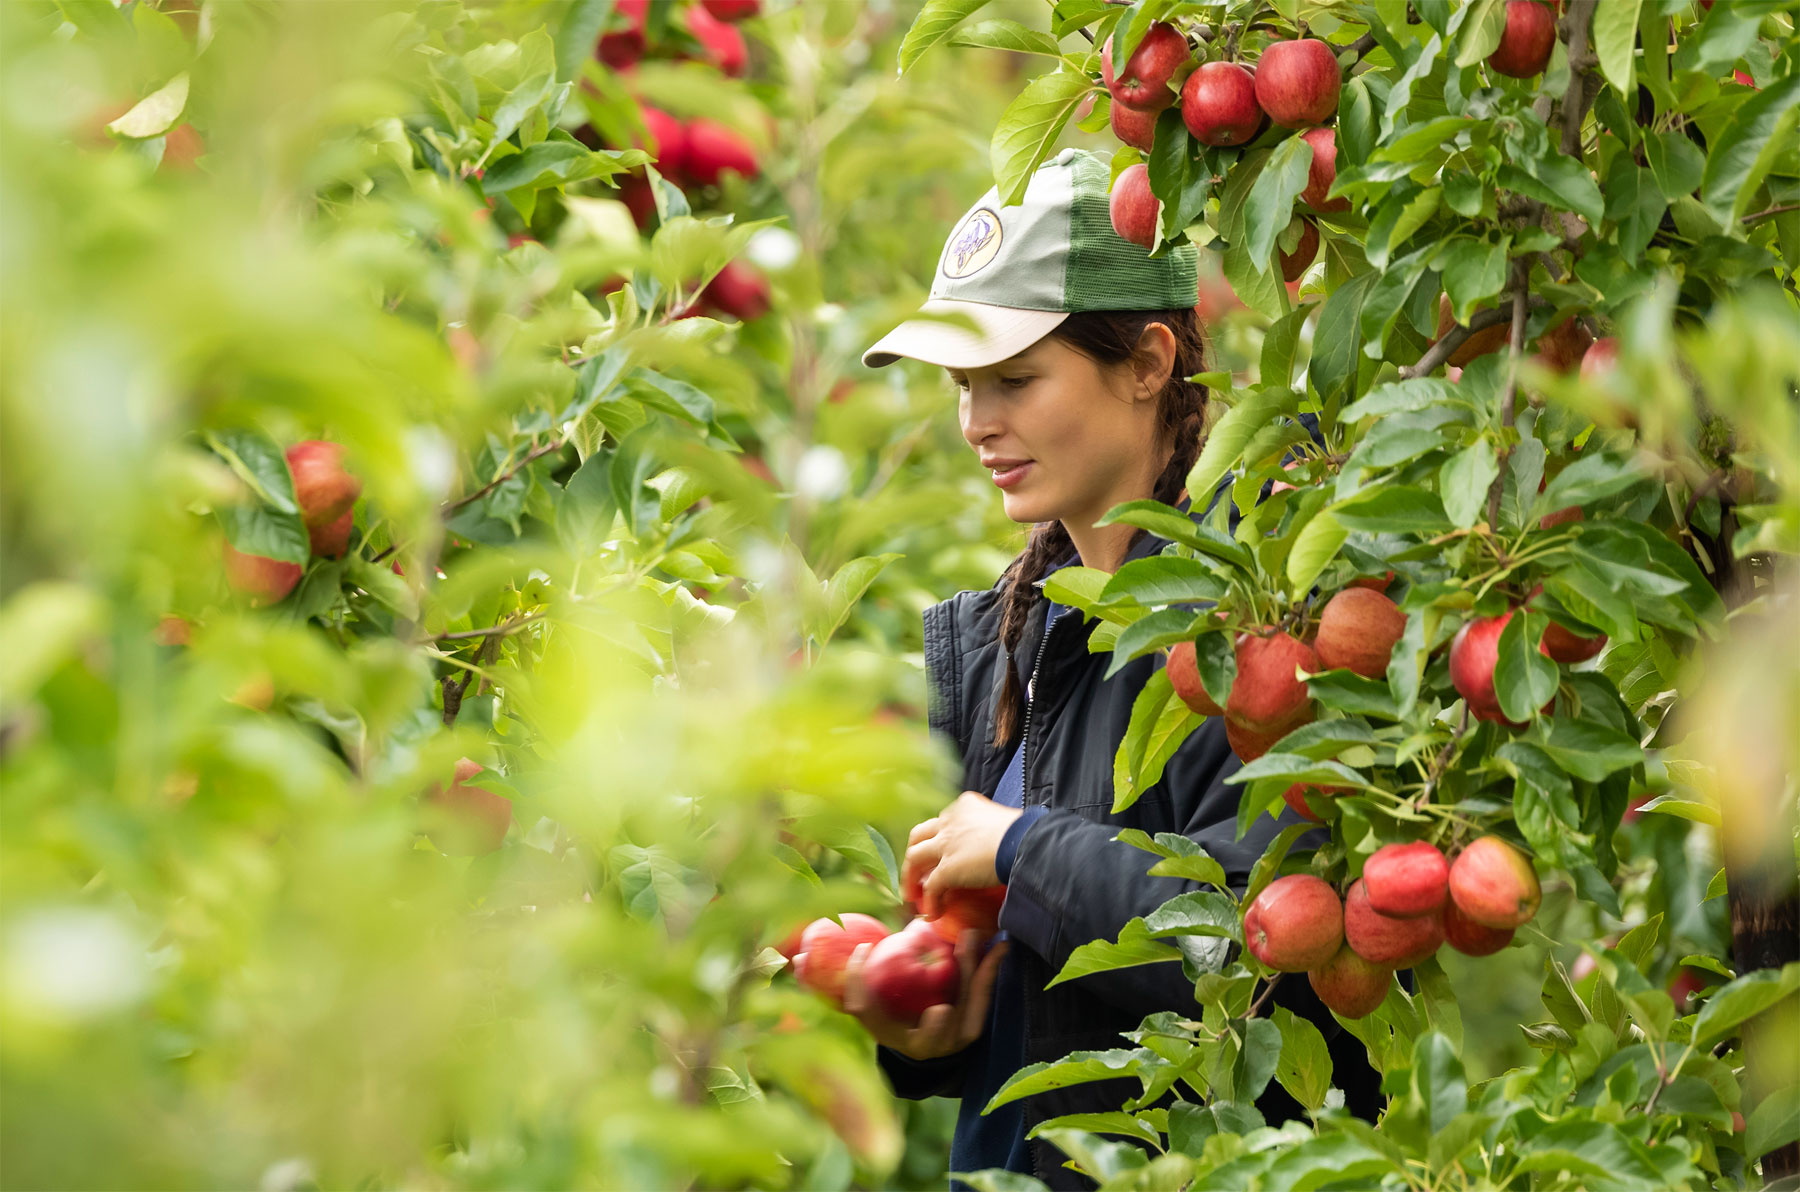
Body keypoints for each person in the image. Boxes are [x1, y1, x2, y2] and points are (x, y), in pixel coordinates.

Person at [839, 148, 1380, 1190]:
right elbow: (1054, 1016)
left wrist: (1022, 851)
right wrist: (928, 1030)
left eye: (1016, 378)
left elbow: (1259, 944)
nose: (976, 423)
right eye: (963, 385)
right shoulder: (1012, 641)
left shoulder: (1253, 630)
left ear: (1148, 361)